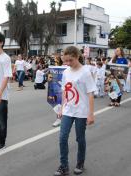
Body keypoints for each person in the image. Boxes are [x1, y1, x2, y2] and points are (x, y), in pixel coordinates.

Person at [54, 46, 96, 176]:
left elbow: (90, 94)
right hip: (68, 110)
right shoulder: (66, 72)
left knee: (80, 138)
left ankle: (80, 163)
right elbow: (64, 91)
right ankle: (64, 166)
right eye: (65, 61)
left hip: (81, 112)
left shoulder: (85, 72)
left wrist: (91, 114)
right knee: (62, 138)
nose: (67, 63)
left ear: (77, 57)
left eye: (70, 60)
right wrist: (61, 107)